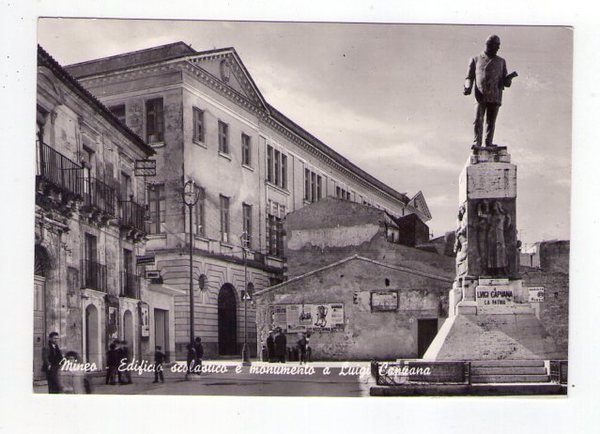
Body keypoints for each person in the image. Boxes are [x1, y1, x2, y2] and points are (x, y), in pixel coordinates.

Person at [464, 35, 517, 147]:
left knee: (491, 122)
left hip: (495, 94)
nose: (498, 48)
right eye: (496, 46)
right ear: (489, 44)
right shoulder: (476, 59)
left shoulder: (501, 61)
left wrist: (509, 78)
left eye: (499, 46)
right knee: (478, 119)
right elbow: (469, 77)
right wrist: (467, 87)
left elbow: (505, 83)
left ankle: (489, 143)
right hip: (480, 93)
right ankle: (477, 142)